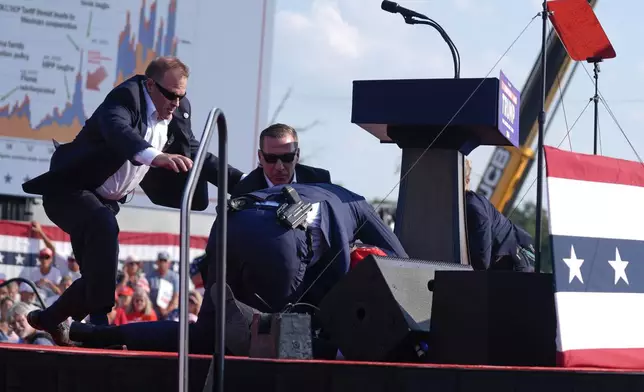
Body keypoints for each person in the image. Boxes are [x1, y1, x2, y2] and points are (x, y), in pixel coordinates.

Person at [20, 56, 243, 345]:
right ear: (150, 85)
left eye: (182, 96)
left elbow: (198, 155)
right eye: (170, 95)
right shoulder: (126, 98)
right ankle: (99, 325)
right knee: (104, 224)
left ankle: (48, 319)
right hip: (70, 193)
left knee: (97, 279)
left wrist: (245, 182)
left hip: (103, 202)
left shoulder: (177, 111)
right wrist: (156, 156)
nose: (176, 103)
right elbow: (118, 130)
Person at [67, 183, 407, 355]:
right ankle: (246, 319)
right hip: (279, 242)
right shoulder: (355, 210)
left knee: (203, 336)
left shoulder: (326, 197)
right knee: (295, 340)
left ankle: (103, 334)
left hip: (230, 225)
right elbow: (402, 261)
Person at [464, 159, 535, 271]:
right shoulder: (468, 204)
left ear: (466, 181)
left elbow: (482, 262)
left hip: (513, 264)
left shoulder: (473, 207)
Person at [231, 123, 331, 196]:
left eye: (287, 158)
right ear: (260, 157)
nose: (280, 167)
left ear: (297, 155)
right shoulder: (245, 191)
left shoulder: (320, 181)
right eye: (271, 158)